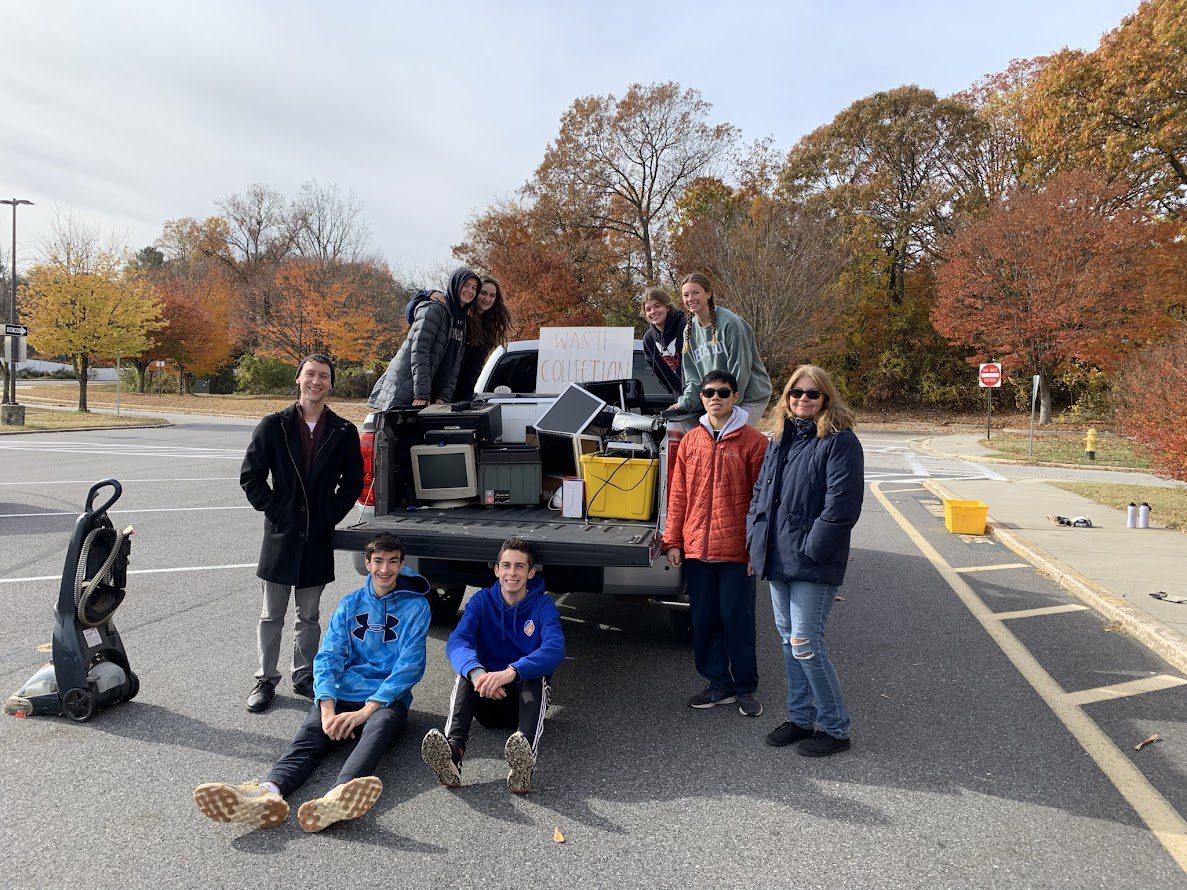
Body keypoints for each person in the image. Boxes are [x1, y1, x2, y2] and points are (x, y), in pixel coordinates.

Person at [193, 533, 431, 832]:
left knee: (378, 730)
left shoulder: (416, 607)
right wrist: (328, 709)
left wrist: (364, 712)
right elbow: (329, 656)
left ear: (401, 564)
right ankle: (267, 792)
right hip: (344, 692)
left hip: (384, 700)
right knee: (309, 736)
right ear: (368, 563)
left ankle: (338, 796)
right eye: (378, 561)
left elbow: (410, 666)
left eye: (393, 562)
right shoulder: (350, 604)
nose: (385, 569)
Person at [746, 365, 864, 757]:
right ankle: (800, 719)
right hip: (776, 556)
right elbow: (761, 494)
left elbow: (841, 508)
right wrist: (755, 541)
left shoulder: (840, 442)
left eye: (812, 393)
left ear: (826, 397)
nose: (803, 399)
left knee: (805, 643)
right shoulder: (780, 438)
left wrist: (811, 550)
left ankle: (835, 728)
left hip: (812, 561)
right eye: (796, 392)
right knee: (788, 641)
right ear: (787, 397)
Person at [240, 353, 363, 713]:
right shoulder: (273, 425)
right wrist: (277, 510)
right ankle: (265, 679)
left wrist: (328, 516)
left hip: (317, 536)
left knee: (308, 616)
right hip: (280, 535)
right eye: (310, 374)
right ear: (298, 378)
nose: (316, 381)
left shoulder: (343, 431)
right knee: (271, 615)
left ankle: (304, 675)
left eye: (323, 376)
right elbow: (251, 476)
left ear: (330, 384)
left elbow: (353, 482)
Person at [663, 370, 769, 717]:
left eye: (723, 392)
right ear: (702, 397)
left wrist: (757, 549)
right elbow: (678, 494)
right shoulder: (691, 440)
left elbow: (763, 502)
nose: (715, 398)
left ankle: (745, 688)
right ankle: (718, 683)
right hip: (697, 549)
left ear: (735, 397)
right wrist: (673, 540)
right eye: (709, 392)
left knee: (737, 621)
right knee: (705, 619)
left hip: (736, 551)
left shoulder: (754, 442)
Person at [420, 537, 564, 794]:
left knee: (535, 675)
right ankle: (453, 754)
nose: (512, 573)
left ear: (531, 572)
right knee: (466, 672)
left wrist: (511, 672)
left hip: (522, 704)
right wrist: (478, 675)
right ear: (496, 570)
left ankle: (523, 764)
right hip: (486, 695)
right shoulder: (481, 601)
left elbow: (554, 648)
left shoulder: (543, 606)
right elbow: (458, 641)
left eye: (520, 566)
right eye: (506, 565)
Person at [368, 267, 480, 410]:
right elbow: (419, 352)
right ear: (455, 284)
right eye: (466, 285)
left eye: (474, 288)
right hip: (406, 388)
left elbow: (455, 364)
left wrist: (443, 397)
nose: (470, 291)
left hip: (430, 395)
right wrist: (421, 394)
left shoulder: (462, 321)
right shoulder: (435, 309)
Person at [671, 273, 772, 427]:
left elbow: (740, 370)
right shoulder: (689, 332)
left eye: (695, 292)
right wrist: (685, 402)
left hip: (748, 396)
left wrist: (727, 405)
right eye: (686, 295)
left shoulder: (729, 323)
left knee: (733, 438)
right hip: (719, 399)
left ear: (708, 294)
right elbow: (694, 377)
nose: (690, 298)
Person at [453, 275, 514, 401]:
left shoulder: (489, 326)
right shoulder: (460, 318)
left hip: (465, 394)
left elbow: (475, 368)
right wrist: (430, 294)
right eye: (483, 293)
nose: (487, 299)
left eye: (492, 295)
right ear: (475, 293)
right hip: (447, 391)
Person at [640, 286, 685, 399]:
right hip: (680, 398)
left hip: (701, 394)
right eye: (648, 309)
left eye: (657, 306)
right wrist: (676, 393)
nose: (653, 312)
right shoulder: (649, 339)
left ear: (667, 307)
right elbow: (660, 373)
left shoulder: (684, 326)